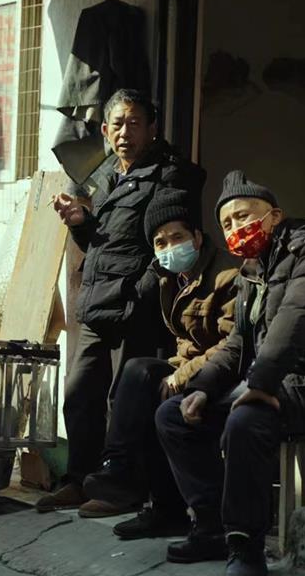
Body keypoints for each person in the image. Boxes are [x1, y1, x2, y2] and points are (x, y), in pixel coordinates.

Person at [155, 170, 305, 576]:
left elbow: (299, 320)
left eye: (244, 216)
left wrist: (260, 382)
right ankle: (212, 526)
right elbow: (239, 343)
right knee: (173, 415)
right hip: (281, 379)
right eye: (228, 224)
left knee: (246, 419)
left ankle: (245, 546)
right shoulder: (252, 270)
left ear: (274, 215)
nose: (236, 228)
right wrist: (202, 386)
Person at [41, 89, 206, 512]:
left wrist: (142, 294)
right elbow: (106, 242)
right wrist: (82, 223)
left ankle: (124, 485)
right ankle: (80, 478)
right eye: (117, 123)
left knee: (125, 401)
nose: (125, 132)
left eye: (134, 123)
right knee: (80, 396)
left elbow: (171, 245)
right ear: (104, 130)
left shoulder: (170, 175)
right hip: (99, 304)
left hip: (136, 306)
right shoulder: (110, 175)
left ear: (152, 128)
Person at [77, 187, 239, 537]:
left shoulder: (226, 275)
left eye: (177, 237)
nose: (169, 248)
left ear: (197, 237)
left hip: (224, 373)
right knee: (141, 374)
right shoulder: (170, 278)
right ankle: (129, 477)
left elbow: (233, 343)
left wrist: (183, 376)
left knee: (155, 389)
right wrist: (177, 372)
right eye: (160, 243)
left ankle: (139, 486)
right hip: (195, 368)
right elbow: (185, 342)